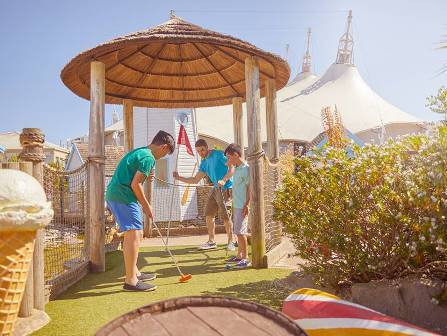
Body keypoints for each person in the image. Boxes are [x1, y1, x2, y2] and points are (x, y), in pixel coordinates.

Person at [106, 130, 175, 292]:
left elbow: (135, 177)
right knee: (135, 233)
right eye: (166, 154)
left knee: (136, 233)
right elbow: (135, 184)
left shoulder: (141, 151)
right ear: (164, 147)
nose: (163, 157)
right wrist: (146, 206)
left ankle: (134, 272)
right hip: (123, 196)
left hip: (118, 194)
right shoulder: (149, 157)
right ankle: (130, 281)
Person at [173, 139, 235, 251]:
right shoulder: (204, 163)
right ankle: (211, 241)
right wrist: (179, 177)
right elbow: (196, 179)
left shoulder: (219, 154)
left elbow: (232, 167)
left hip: (226, 188)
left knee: (226, 216)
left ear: (207, 147)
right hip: (216, 188)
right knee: (208, 214)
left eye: (202, 150)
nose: (201, 153)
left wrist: (224, 180)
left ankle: (231, 242)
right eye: (198, 151)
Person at [223, 143, 251, 268]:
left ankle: (245, 258)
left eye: (229, 157)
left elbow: (250, 188)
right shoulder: (237, 168)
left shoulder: (246, 169)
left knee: (241, 232)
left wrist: (247, 205)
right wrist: (229, 164)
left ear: (236, 155)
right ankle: (240, 255)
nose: (228, 160)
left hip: (243, 205)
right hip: (237, 204)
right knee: (237, 231)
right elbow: (229, 170)